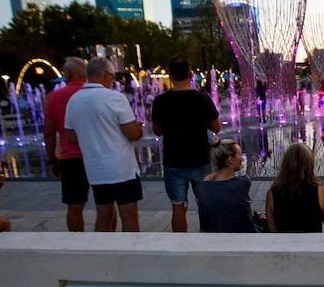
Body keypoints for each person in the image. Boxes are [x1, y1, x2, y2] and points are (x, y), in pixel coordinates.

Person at [64, 57, 143, 232]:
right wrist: (139, 128)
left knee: (103, 214)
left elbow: (70, 137)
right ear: (106, 75)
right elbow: (133, 133)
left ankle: (103, 251)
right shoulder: (114, 98)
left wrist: (91, 136)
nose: (113, 81)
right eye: (113, 77)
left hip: (95, 168)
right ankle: (132, 251)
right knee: (128, 214)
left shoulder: (74, 101)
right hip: (122, 168)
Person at [151, 55, 220, 232]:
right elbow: (216, 128)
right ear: (191, 75)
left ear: (170, 76)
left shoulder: (161, 101)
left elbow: (157, 131)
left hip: (173, 161)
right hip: (200, 160)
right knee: (205, 205)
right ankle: (208, 241)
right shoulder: (202, 99)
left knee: (178, 206)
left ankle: (180, 245)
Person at [44, 57, 89, 232]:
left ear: (68, 74)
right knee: (106, 204)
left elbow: (49, 133)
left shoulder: (54, 97)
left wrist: (51, 160)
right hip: (98, 155)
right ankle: (105, 243)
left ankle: (77, 243)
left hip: (71, 158)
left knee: (74, 207)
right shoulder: (96, 93)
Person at [265, 143, 324, 233]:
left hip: (284, 246)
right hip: (313, 245)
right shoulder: (321, 192)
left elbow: (272, 232)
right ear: (310, 164)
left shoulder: (272, 194)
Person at [196, 138, 259, 233]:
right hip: (247, 237)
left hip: (219, 238)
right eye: (240, 155)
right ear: (231, 159)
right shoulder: (243, 182)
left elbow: (204, 227)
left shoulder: (203, 188)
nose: (242, 158)